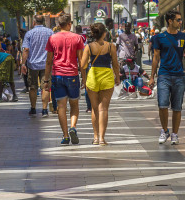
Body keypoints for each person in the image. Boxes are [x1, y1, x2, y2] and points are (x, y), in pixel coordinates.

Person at [44, 14, 85, 145]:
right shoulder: (77, 38)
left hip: (57, 75)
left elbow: (49, 61)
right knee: (74, 104)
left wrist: (46, 79)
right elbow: (81, 61)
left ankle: (65, 135)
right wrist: (84, 77)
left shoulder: (52, 38)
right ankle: (73, 127)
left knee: (61, 106)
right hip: (72, 75)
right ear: (68, 24)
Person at [80, 23, 120, 146]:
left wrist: (84, 78)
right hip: (107, 77)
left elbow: (82, 65)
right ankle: (102, 138)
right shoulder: (110, 46)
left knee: (94, 108)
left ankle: (96, 137)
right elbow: (115, 63)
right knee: (103, 109)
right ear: (104, 33)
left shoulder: (89, 47)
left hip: (93, 76)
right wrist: (117, 77)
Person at [20, 15, 53, 117]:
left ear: (34, 22)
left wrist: (23, 64)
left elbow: (26, 49)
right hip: (46, 64)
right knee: (46, 87)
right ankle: (44, 110)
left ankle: (33, 108)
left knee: (33, 87)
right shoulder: (50, 32)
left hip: (32, 64)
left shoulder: (29, 33)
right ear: (43, 22)